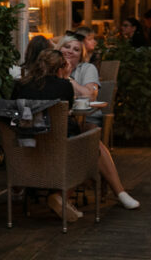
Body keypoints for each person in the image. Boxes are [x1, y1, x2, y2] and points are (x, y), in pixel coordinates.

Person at [11, 50, 140, 217]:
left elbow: (13, 114)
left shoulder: (21, 85)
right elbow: (67, 113)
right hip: (56, 150)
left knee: (82, 144)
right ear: (61, 68)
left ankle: (28, 193)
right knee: (92, 146)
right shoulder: (64, 86)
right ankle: (65, 196)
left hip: (24, 148)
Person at [58, 34, 101, 125]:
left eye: (76, 50)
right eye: (67, 47)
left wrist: (66, 77)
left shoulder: (88, 68)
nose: (70, 51)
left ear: (81, 56)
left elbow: (89, 96)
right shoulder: (50, 68)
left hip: (86, 120)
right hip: (57, 119)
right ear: (59, 50)